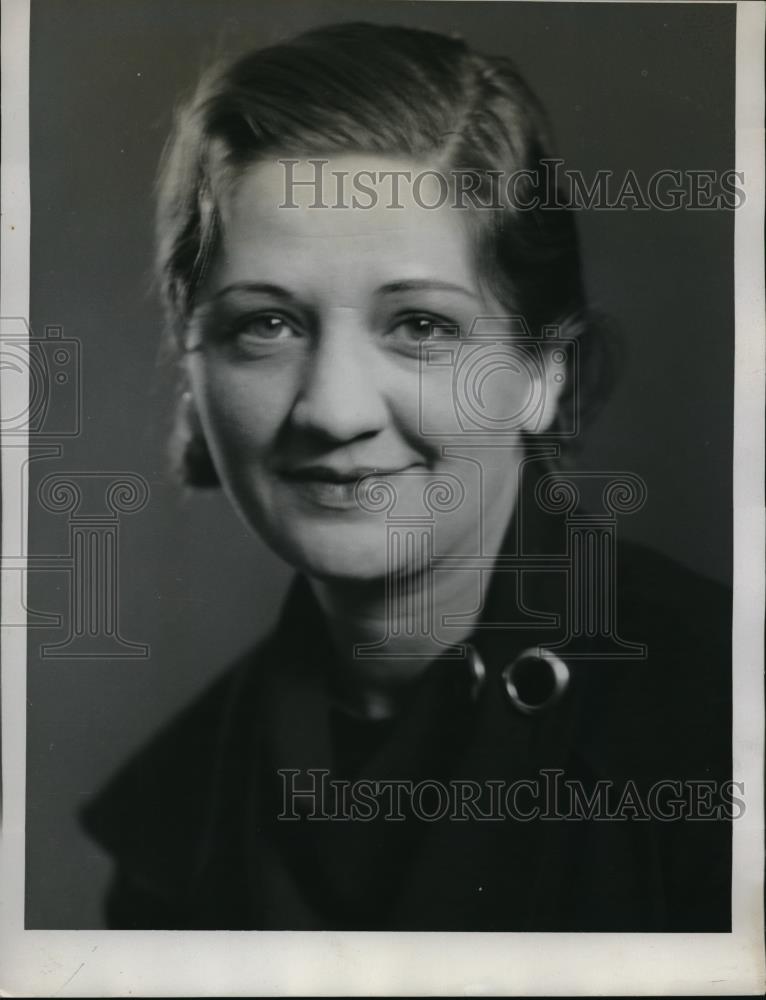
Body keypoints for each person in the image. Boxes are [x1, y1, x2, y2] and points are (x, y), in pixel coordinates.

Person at [81, 21, 732, 931]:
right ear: (192, 372)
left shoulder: (727, 724)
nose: (334, 409)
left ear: (544, 374)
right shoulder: (177, 823)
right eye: (265, 325)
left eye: (421, 326)